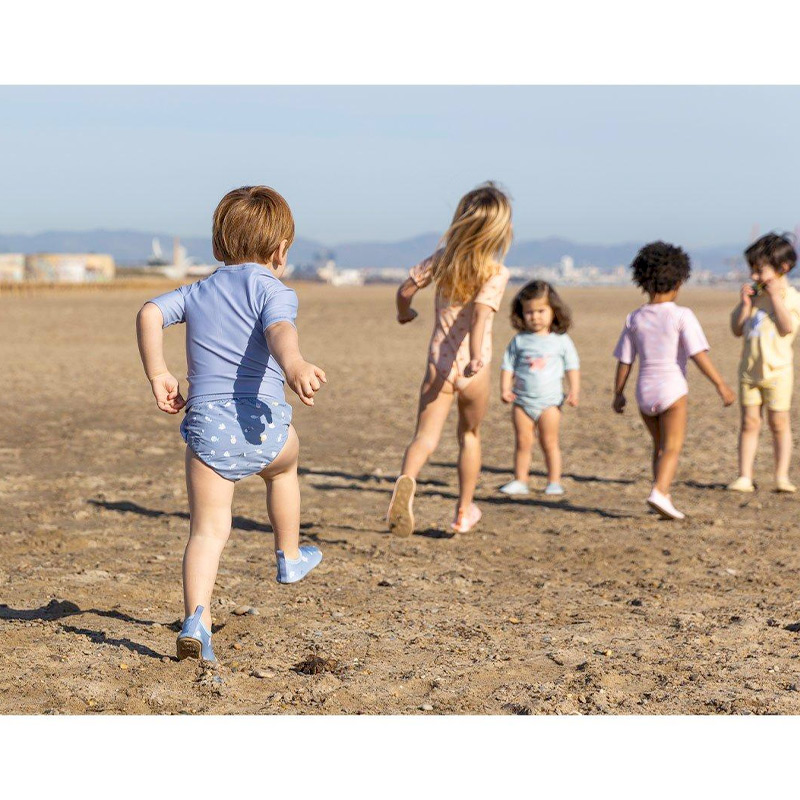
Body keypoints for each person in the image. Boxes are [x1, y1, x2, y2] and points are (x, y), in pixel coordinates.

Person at [136, 186, 326, 662]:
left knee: (206, 532)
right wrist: (296, 364)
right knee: (284, 470)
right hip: (263, 429)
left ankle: (196, 621)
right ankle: (288, 555)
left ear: (219, 247)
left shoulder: (198, 291)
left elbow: (150, 312)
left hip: (208, 432)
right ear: (281, 251)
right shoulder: (273, 290)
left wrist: (159, 373)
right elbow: (279, 331)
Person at [387, 182, 512, 535]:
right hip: (475, 369)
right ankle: (463, 510)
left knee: (424, 438)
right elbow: (480, 318)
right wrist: (474, 358)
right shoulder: (496, 272)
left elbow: (405, 290)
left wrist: (403, 313)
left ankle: (407, 481)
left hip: (438, 366)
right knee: (469, 435)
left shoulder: (442, 260)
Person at [612, 241, 735, 519]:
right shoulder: (682, 315)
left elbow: (625, 360)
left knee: (659, 446)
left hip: (644, 391)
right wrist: (720, 384)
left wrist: (618, 393)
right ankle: (659, 491)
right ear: (680, 280)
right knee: (673, 446)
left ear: (642, 280)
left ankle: (663, 495)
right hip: (672, 388)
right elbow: (698, 354)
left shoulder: (634, 317)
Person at [728, 233, 800, 493]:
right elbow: (736, 329)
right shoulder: (754, 299)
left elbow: (786, 328)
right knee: (749, 423)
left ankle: (781, 476)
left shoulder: (792, 298)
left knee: (779, 423)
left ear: (783, 269)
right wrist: (744, 304)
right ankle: (744, 476)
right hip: (749, 372)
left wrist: (776, 298)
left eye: (760, 271)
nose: (755, 277)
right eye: (752, 271)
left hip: (779, 373)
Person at [498, 280, 580, 497]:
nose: (535, 317)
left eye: (541, 311)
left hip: (550, 403)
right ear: (521, 314)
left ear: (554, 310)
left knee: (549, 442)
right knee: (523, 442)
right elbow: (507, 365)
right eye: (529, 312)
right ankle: (520, 480)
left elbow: (573, 366)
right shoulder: (519, 340)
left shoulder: (560, 340)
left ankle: (554, 481)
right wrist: (505, 389)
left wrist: (574, 390)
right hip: (522, 401)